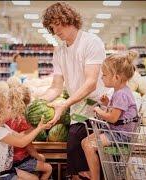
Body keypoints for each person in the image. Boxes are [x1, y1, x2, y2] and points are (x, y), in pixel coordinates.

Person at [41, 2, 108, 179]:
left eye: (58, 24)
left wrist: (64, 104)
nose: (55, 31)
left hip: (98, 109)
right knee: (74, 152)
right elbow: (56, 87)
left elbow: (91, 83)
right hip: (77, 109)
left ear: (69, 19)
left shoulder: (91, 42)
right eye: (52, 27)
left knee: (82, 151)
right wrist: (39, 101)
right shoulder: (59, 51)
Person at [81, 51, 139, 180]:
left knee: (89, 146)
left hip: (121, 136)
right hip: (116, 131)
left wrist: (98, 110)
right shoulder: (121, 91)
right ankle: (94, 173)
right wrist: (107, 103)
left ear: (117, 77)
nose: (102, 78)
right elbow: (118, 112)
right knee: (85, 142)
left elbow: (113, 118)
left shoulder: (121, 94)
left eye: (105, 75)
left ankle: (94, 177)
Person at [0, 92, 50, 180]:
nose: (11, 108)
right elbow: (21, 143)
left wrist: (36, 127)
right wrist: (38, 129)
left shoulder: (2, 127)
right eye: (8, 107)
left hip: (6, 171)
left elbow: (20, 136)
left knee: (34, 178)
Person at [5, 84, 52, 179]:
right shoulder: (23, 120)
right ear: (27, 102)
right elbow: (28, 146)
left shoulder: (5, 117)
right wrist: (38, 156)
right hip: (19, 161)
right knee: (48, 168)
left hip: (8, 161)